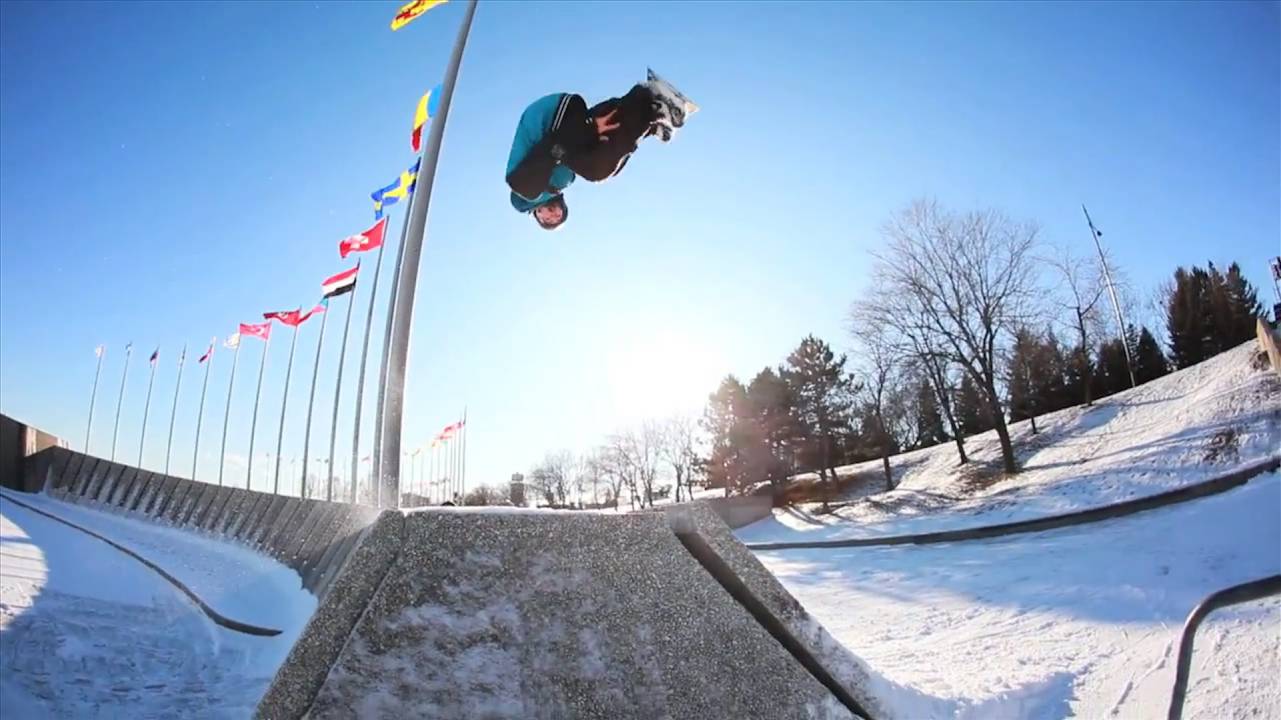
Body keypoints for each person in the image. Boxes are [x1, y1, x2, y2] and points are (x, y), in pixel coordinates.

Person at [505, 70, 697, 231]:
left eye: (547, 220)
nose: (555, 215)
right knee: (603, 160)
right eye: (559, 216)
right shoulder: (563, 180)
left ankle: (648, 99)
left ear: (536, 213)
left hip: (548, 117)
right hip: (562, 127)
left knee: (595, 168)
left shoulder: (523, 188)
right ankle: (650, 117)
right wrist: (589, 129)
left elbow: (549, 146)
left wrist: (587, 127)